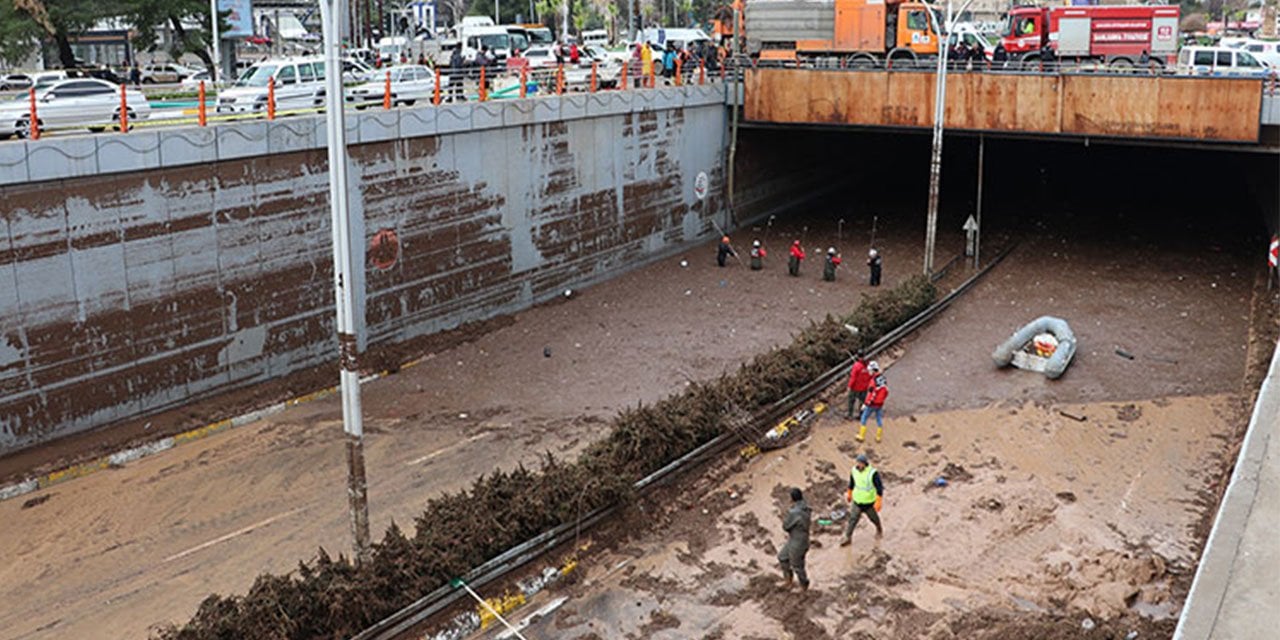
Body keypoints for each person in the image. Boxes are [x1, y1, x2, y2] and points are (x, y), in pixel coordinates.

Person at [839, 454, 884, 546]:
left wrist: (878, 500)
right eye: (858, 463)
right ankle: (848, 537)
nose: (859, 465)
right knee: (853, 519)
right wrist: (849, 493)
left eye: (861, 463)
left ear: (865, 463)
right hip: (857, 501)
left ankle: (879, 529)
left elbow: (879, 487)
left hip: (868, 503)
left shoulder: (872, 473)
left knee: (874, 518)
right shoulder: (854, 471)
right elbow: (852, 483)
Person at [778, 487, 812, 590]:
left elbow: (785, 526)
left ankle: (804, 584)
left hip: (797, 541)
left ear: (792, 499)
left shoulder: (794, 512)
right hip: (800, 539)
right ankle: (789, 580)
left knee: (797, 565)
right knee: (782, 557)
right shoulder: (805, 507)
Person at [858, 371, 888, 442]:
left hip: (872, 404)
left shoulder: (873, 381)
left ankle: (861, 436)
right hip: (880, 404)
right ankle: (878, 437)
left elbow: (871, 394)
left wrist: (865, 404)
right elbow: (886, 391)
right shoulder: (883, 379)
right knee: (879, 419)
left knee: (864, 417)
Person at [845, 352, 872, 419]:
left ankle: (850, 415)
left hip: (855, 388)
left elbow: (853, 377)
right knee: (862, 402)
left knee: (851, 401)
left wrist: (849, 386)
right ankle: (861, 415)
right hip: (864, 387)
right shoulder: (868, 365)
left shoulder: (856, 366)